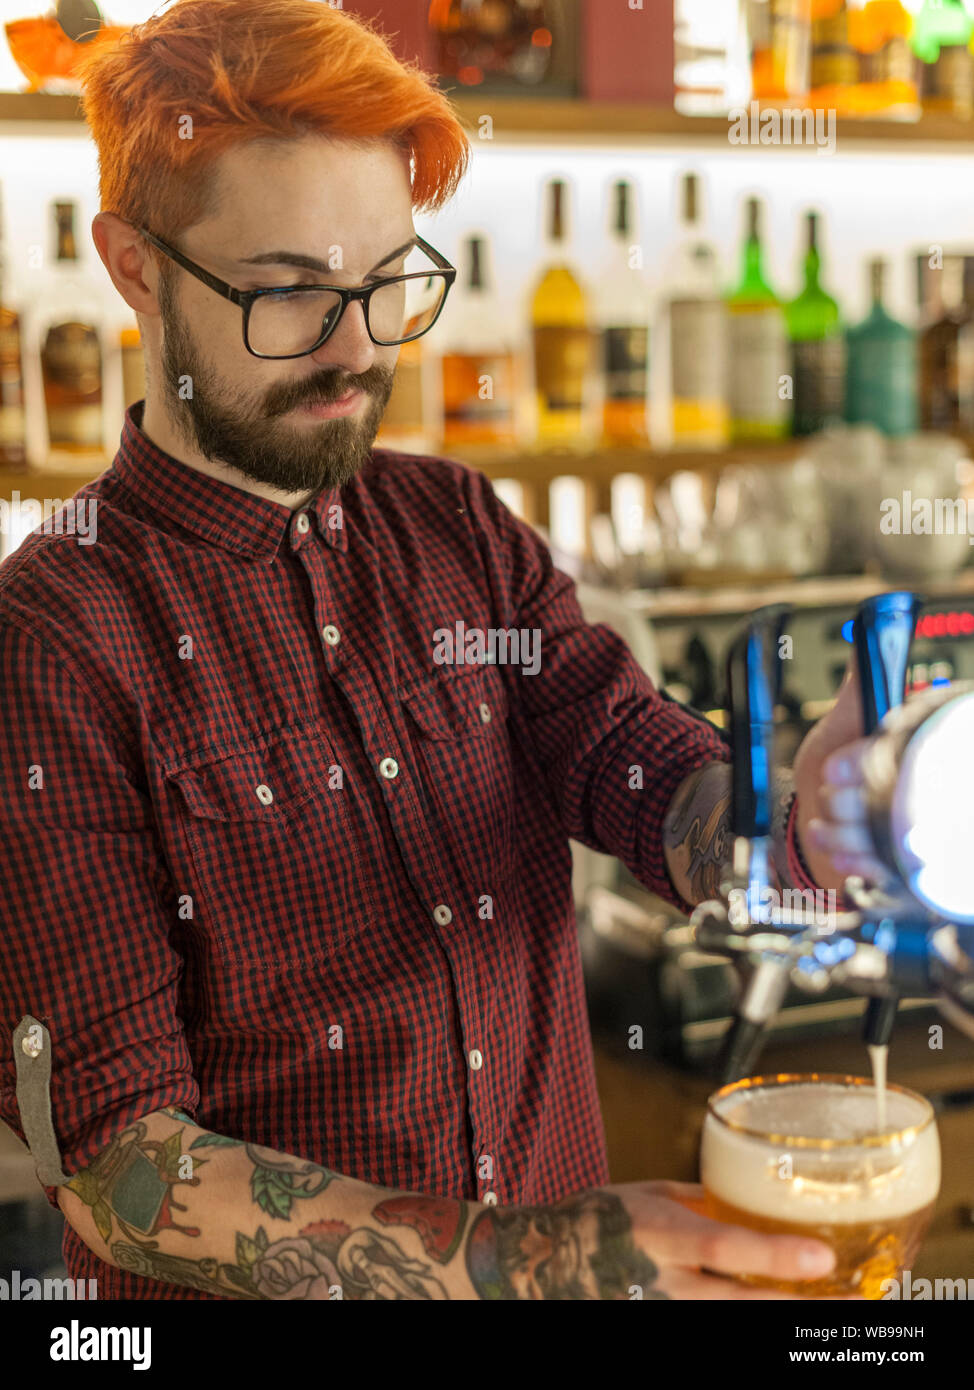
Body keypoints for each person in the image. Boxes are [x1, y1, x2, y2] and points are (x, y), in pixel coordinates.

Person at [0, 0, 881, 1301]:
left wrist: (799, 827)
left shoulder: (457, 526)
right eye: (292, 290)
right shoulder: (53, 643)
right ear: (133, 264)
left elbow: (638, 769)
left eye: (387, 283)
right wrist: (522, 1261)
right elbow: (125, 1169)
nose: (359, 350)